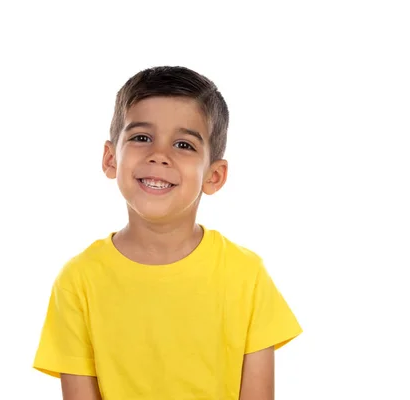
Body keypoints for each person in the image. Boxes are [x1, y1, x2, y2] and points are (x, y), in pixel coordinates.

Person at [33, 66, 302, 399]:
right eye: (141, 138)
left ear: (214, 176)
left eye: (183, 144)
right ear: (110, 158)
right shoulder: (78, 280)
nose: (159, 156)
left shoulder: (248, 277)